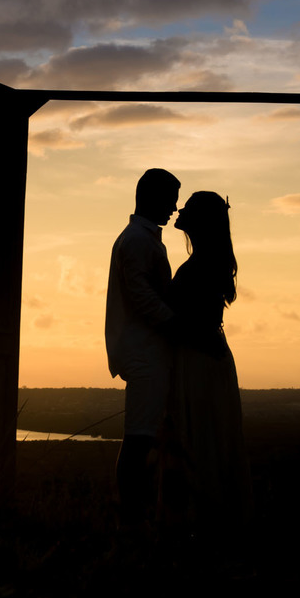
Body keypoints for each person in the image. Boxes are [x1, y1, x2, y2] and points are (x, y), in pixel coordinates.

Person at [164, 191, 253, 531]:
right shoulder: (211, 260)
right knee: (211, 436)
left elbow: (190, 321)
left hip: (199, 358)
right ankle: (210, 518)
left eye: (187, 210)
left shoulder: (202, 264)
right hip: (206, 355)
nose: (179, 213)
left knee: (202, 437)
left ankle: (204, 520)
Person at [105, 168, 181, 525]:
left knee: (144, 435)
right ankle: (130, 517)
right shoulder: (137, 240)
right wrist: (181, 326)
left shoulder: (142, 238)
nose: (174, 207)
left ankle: (138, 514)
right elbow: (141, 298)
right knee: (138, 437)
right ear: (149, 197)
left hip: (149, 351)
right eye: (170, 199)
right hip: (144, 352)